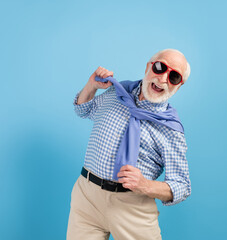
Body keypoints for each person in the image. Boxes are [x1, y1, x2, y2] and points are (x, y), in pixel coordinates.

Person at [67, 49, 192, 240]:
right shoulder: (117, 92)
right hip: (87, 197)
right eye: (160, 67)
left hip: (132, 206)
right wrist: (91, 85)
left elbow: (182, 186)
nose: (164, 79)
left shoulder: (171, 130)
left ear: (178, 86)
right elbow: (84, 110)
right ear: (148, 66)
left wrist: (146, 185)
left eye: (174, 76)